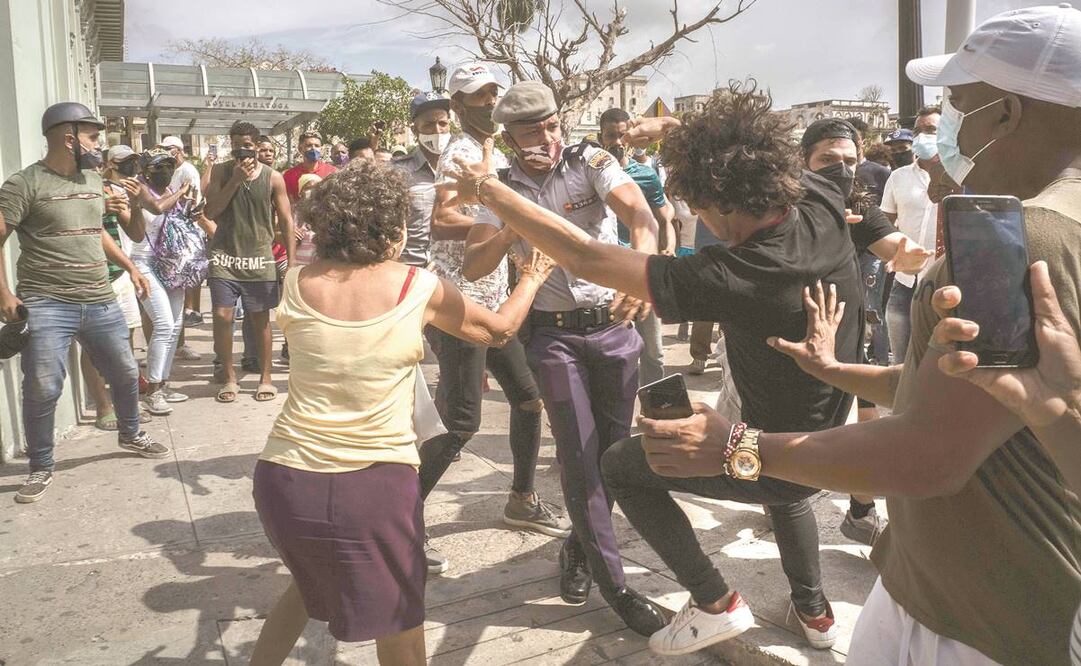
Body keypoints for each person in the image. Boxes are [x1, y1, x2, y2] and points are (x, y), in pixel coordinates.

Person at [628, 7, 1081, 663]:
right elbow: (971, 392)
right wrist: (834, 370)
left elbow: (930, 453)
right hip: (930, 587)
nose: (942, 125)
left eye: (957, 104)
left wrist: (734, 449)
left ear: (1005, 114)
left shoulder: (1025, 236)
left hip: (981, 616)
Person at [440, 81, 864, 654]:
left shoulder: (735, 274)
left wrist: (485, 187)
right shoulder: (815, 198)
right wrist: (670, 129)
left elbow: (589, 256)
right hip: (825, 419)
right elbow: (737, 153)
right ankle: (812, 613)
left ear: (725, 203)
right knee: (785, 500)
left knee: (623, 464)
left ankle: (716, 604)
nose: (705, 221)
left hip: (772, 450)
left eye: (705, 210)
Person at [247, 160, 554, 666]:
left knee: (306, 587)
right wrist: (535, 276)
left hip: (284, 479)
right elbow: (498, 331)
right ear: (392, 229)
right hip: (373, 485)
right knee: (401, 627)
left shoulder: (296, 281)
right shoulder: (417, 286)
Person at [457, 80, 668, 637]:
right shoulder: (499, 184)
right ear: (508, 135)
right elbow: (475, 266)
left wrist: (642, 270)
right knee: (579, 453)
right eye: (532, 130)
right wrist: (511, 223)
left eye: (552, 125)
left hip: (614, 328)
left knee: (616, 456)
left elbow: (642, 218)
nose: (547, 138)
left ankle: (580, 548)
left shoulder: (589, 159)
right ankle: (617, 588)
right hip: (552, 338)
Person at [425, 67, 570, 573]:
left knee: (528, 400)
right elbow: (441, 220)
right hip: (457, 298)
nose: (489, 101)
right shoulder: (462, 151)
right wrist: (507, 220)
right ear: (459, 105)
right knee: (461, 419)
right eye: (478, 96)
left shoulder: (498, 151)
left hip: (493, 297)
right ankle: (398, 520)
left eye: (494, 92)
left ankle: (522, 500)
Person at [0, 102, 170, 503]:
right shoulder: (24, 184)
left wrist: (131, 263)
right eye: (93, 136)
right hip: (45, 302)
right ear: (69, 137)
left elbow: (101, 232)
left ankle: (130, 433)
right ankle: (41, 466)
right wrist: (5, 293)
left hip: (99, 297)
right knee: (43, 386)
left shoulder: (94, 180)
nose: (99, 145)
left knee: (127, 373)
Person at [798, 116, 934, 546]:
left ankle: (860, 509)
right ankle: (782, 490)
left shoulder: (860, 203)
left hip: (851, 322)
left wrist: (911, 254)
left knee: (865, 413)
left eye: (849, 160)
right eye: (828, 160)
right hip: (792, 323)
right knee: (793, 418)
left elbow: (891, 243)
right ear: (804, 161)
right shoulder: (783, 203)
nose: (840, 169)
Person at [203, 120, 296, 404]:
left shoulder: (273, 177)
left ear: (257, 146)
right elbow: (212, 211)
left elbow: (286, 220)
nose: (241, 151)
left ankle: (265, 377)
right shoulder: (220, 171)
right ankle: (229, 376)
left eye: (247, 146)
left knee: (259, 321)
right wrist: (234, 181)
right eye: (236, 145)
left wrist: (291, 262)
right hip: (224, 256)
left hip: (258, 256)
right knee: (222, 316)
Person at [599, 107, 678, 387]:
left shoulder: (646, 176)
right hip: (607, 277)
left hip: (645, 273)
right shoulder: (588, 176)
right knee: (613, 352)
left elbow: (664, 215)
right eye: (611, 136)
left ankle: (653, 409)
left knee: (653, 352)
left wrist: (669, 245)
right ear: (601, 137)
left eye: (623, 136)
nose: (618, 143)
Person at [81, 145, 151, 431]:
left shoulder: (113, 192)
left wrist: (134, 204)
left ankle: (127, 404)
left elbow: (135, 233)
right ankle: (103, 406)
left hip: (118, 275)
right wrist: (96, 209)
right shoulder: (79, 192)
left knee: (124, 344)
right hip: (89, 281)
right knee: (92, 347)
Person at [129, 149, 195, 415]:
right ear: (145, 170)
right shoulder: (139, 188)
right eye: (158, 166)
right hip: (143, 262)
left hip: (170, 263)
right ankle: (152, 391)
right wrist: (181, 192)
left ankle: (163, 382)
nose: (165, 170)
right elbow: (156, 207)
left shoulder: (168, 188)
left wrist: (189, 204)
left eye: (169, 165)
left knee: (175, 325)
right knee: (164, 323)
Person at [880, 106, 941, 363]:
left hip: (945, 280)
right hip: (904, 282)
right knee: (902, 364)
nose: (922, 137)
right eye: (918, 131)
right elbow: (883, 223)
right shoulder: (898, 177)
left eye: (931, 130)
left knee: (938, 364)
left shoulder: (963, 176)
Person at [391, 91, 450, 269]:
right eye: (429, 125)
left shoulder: (464, 168)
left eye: (443, 124)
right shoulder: (396, 173)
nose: (437, 131)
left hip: (454, 274)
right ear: (415, 130)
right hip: (409, 271)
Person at [282, 131, 336, 203]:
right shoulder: (289, 175)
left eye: (317, 146)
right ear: (300, 149)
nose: (313, 149)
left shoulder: (333, 172)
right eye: (309, 145)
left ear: (321, 149)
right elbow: (290, 205)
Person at [847, 117, 891, 202]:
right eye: (846, 138)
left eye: (854, 139)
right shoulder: (836, 171)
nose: (849, 143)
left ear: (864, 143)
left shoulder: (881, 173)